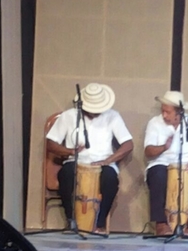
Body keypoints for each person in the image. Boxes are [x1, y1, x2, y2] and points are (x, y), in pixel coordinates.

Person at [46, 83, 133, 236]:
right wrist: (69, 151)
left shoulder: (113, 116)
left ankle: (99, 224)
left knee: (110, 178)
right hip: (75, 160)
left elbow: (128, 144)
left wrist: (109, 160)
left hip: (102, 162)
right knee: (66, 174)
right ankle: (71, 221)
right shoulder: (68, 116)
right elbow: (51, 143)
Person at [144, 91, 188, 238]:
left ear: (179, 112)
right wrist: (163, 147)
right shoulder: (154, 123)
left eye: (168, 112)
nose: (164, 115)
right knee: (158, 174)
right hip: (162, 162)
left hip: (187, 163)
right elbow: (148, 151)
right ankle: (161, 224)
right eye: (163, 111)